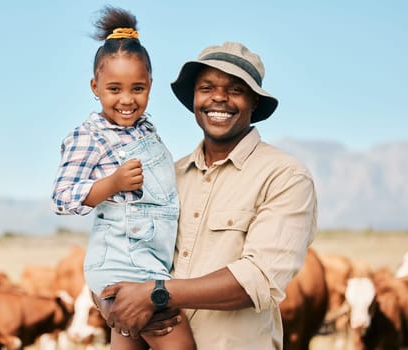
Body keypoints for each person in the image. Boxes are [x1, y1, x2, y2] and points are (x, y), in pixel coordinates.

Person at [100, 41, 318, 349]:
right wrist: (111, 304)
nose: (219, 97)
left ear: (254, 101)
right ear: (194, 98)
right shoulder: (165, 177)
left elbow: (257, 280)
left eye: (235, 89)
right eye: (207, 87)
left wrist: (156, 292)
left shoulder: (285, 176)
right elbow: (124, 254)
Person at [51, 6, 196, 350]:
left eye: (138, 88)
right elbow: (62, 197)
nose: (127, 100)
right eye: (114, 89)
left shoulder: (146, 129)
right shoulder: (90, 136)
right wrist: (111, 184)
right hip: (123, 264)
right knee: (179, 345)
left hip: (149, 260)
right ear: (95, 87)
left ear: (150, 86)